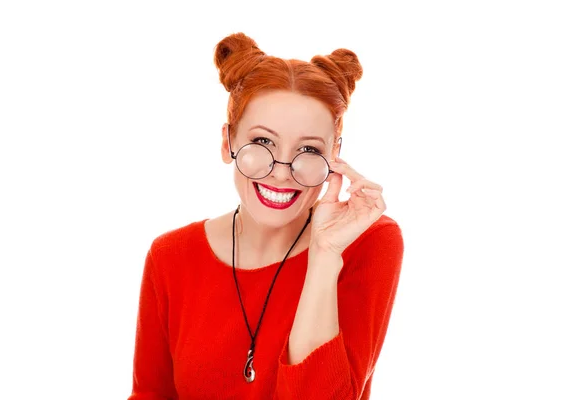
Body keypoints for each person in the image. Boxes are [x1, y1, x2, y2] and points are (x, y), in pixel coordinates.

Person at [127, 32, 404, 400]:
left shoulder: (367, 240)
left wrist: (324, 257)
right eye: (262, 143)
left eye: (308, 149)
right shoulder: (170, 256)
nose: (281, 171)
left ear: (335, 154)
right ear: (228, 143)